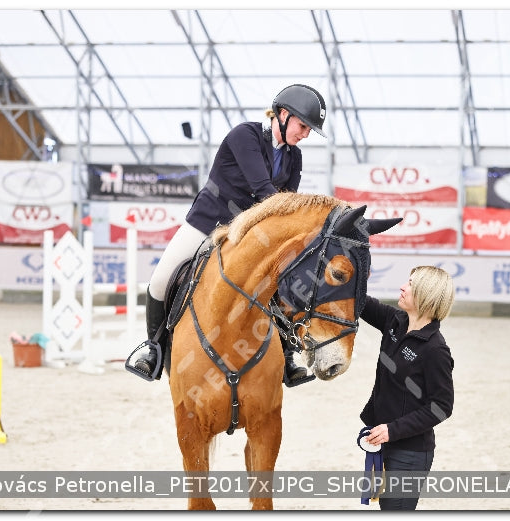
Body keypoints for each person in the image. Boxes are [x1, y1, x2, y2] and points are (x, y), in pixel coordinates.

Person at [135, 84, 328, 385]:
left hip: (248, 236)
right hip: (209, 223)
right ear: (284, 114)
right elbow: (265, 192)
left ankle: (287, 356)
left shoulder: (294, 158)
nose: (305, 134)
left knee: (285, 285)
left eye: (309, 130)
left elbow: (287, 201)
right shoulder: (245, 136)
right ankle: (153, 349)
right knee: (160, 280)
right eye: (303, 126)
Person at [360, 265, 455, 510]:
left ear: (427, 296)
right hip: (384, 443)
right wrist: (356, 274)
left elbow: (442, 406)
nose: (403, 287)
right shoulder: (395, 321)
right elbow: (358, 302)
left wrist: (393, 430)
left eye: (411, 285)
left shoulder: (435, 349)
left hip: (410, 453)